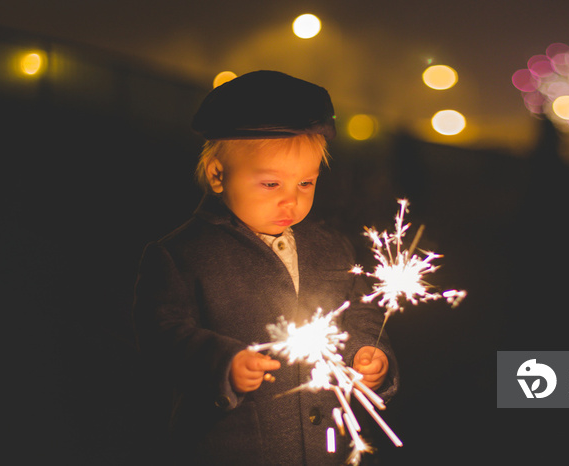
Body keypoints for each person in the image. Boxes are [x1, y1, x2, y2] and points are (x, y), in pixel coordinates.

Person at [133, 70, 398, 465]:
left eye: (305, 184)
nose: (291, 202)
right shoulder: (183, 253)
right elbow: (161, 336)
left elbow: (360, 311)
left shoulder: (332, 248)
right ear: (218, 175)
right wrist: (224, 363)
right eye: (271, 185)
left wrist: (370, 351)